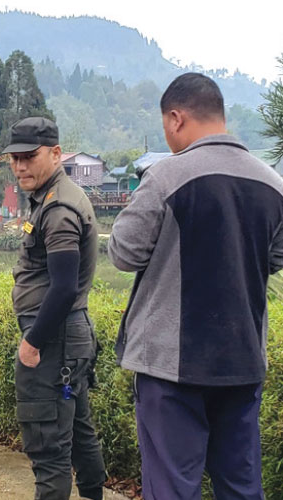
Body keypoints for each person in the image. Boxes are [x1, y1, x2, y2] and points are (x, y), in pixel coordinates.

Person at [109, 73, 283, 499]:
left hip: (171, 367)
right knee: (241, 486)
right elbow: (276, 257)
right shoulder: (273, 185)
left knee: (171, 488)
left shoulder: (166, 177)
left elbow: (124, 253)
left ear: (176, 118)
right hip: (242, 360)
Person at [7, 117, 106, 500]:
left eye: (29, 157)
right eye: (14, 158)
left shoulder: (59, 208)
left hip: (53, 340)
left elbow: (64, 288)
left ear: (55, 153)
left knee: (48, 449)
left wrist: (32, 342)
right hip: (68, 336)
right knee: (78, 432)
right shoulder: (56, 197)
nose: (20, 167)